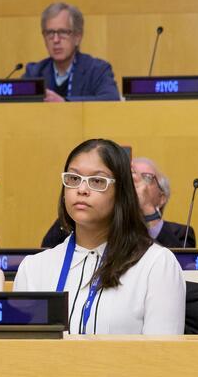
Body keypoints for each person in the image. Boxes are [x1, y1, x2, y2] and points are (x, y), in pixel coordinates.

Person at [14, 138, 186, 334]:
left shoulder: (157, 265)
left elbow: (162, 352)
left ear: (122, 193)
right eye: (73, 179)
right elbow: (22, 349)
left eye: (97, 181)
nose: (81, 190)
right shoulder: (33, 268)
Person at [42, 156, 196, 248]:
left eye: (147, 178)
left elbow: (180, 267)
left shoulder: (181, 233)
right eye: (130, 176)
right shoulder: (101, 226)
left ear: (162, 198)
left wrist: (147, 209)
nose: (134, 183)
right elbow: (48, 248)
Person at [22, 3, 119, 102]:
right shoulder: (35, 73)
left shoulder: (97, 70)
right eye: (50, 33)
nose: (56, 40)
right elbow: (16, 101)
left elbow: (111, 99)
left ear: (77, 37)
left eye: (63, 32)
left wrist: (65, 102)